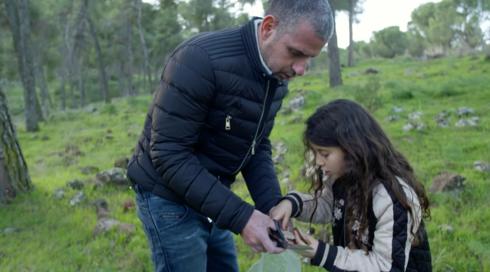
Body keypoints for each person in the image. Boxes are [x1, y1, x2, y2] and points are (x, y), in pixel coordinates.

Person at [126, 0, 335, 271]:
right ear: (269, 27)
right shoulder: (199, 59)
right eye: (295, 53)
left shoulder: (276, 76)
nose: (301, 69)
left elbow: (255, 146)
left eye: (309, 58)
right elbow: (169, 153)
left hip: (213, 195)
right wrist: (243, 218)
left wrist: (272, 206)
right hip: (167, 197)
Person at [270, 99, 432, 271]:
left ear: (351, 148)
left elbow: (387, 266)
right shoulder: (344, 176)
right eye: (315, 153)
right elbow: (328, 206)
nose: (318, 162)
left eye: (324, 154)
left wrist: (322, 253)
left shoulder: (390, 196)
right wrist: (291, 204)